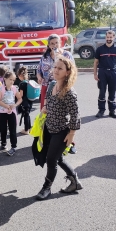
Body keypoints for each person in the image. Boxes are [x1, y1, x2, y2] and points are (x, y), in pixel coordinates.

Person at [36, 56, 82, 201]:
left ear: (67, 72)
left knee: (51, 160)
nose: (56, 70)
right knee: (59, 158)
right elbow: (48, 101)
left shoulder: (69, 92)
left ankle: (46, 188)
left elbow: (75, 114)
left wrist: (72, 134)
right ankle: (75, 181)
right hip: (49, 128)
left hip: (62, 131)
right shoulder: (52, 85)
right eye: (55, 67)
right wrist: (45, 108)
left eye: (60, 68)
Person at [37, 34, 74, 110]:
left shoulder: (66, 55)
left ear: (60, 43)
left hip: (61, 85)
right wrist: (39, 77)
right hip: (46, 85)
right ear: (49, 45)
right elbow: (39, 70)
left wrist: (58, 56)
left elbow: (72, 70)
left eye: (56, 43)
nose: (55, 45)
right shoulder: (45, 56)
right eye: (52, 43)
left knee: (58, 109)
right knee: (44, 109)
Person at [94, 30, 116, 118]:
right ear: (105, 37)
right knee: (102, 92)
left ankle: (112, 111)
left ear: (114, 37)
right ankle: (101, 110)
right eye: (107, 37)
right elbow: (95, 62)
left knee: (112, 92)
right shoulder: (100, 49)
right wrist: (95, 74)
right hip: (102, 72)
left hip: (113, 72)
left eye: (111, 37)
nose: (109, 39)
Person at [0, 71, 22, 156]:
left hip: (12, 112)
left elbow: (20, 99)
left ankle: (14, 146)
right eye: (10, 79)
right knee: (3, 129)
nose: (12, 81)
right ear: (5, 79)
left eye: (13, 80)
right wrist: (6, 106)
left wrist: (15, 105)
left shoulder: (14, 88)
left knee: (12, 130)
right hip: (2, 112)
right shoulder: (1, 88)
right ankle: (3, 145)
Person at [18, 66, 33, 135]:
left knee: (25, 115)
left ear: (20, 75)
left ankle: (26, 130)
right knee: (28, 114)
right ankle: (29, 128)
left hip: (25, 101)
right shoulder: (28, 82)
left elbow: (21, 95)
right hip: (30, 101)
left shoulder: (22, 84)